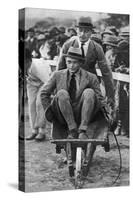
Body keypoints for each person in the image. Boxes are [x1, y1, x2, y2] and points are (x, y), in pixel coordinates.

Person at [40, 47, 110, 139]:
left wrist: (107, 114)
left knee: (89, 92)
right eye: (69, 62)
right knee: (61, 93)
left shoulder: (91, 77)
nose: (71, 66)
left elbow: (100, 98)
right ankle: (72, 129)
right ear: (65, 61)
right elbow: (44, 93)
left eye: (75, 62)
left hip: (84, 112)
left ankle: (82, 130)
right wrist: (49, 112)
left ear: (81, 63)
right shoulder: (57, 75)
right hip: (63, 112)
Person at [58, 17, 114, 108]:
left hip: (90, 86)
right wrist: (59, 89)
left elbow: (106, 72)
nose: (82, 34)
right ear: (76, 30)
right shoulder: (67, 45)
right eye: (80, 30)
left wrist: (110, 95)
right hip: (71, 85)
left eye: (86, 31)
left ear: (91, 32)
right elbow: (60, 69)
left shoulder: (97, 48)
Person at [26, 57, 52, 141]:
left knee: (39, 103)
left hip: (44, 81)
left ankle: (42, 131)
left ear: (28, 60)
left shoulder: (38, 66)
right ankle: (34, 130)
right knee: (31, 104)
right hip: (31, 81)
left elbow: (48, 82)